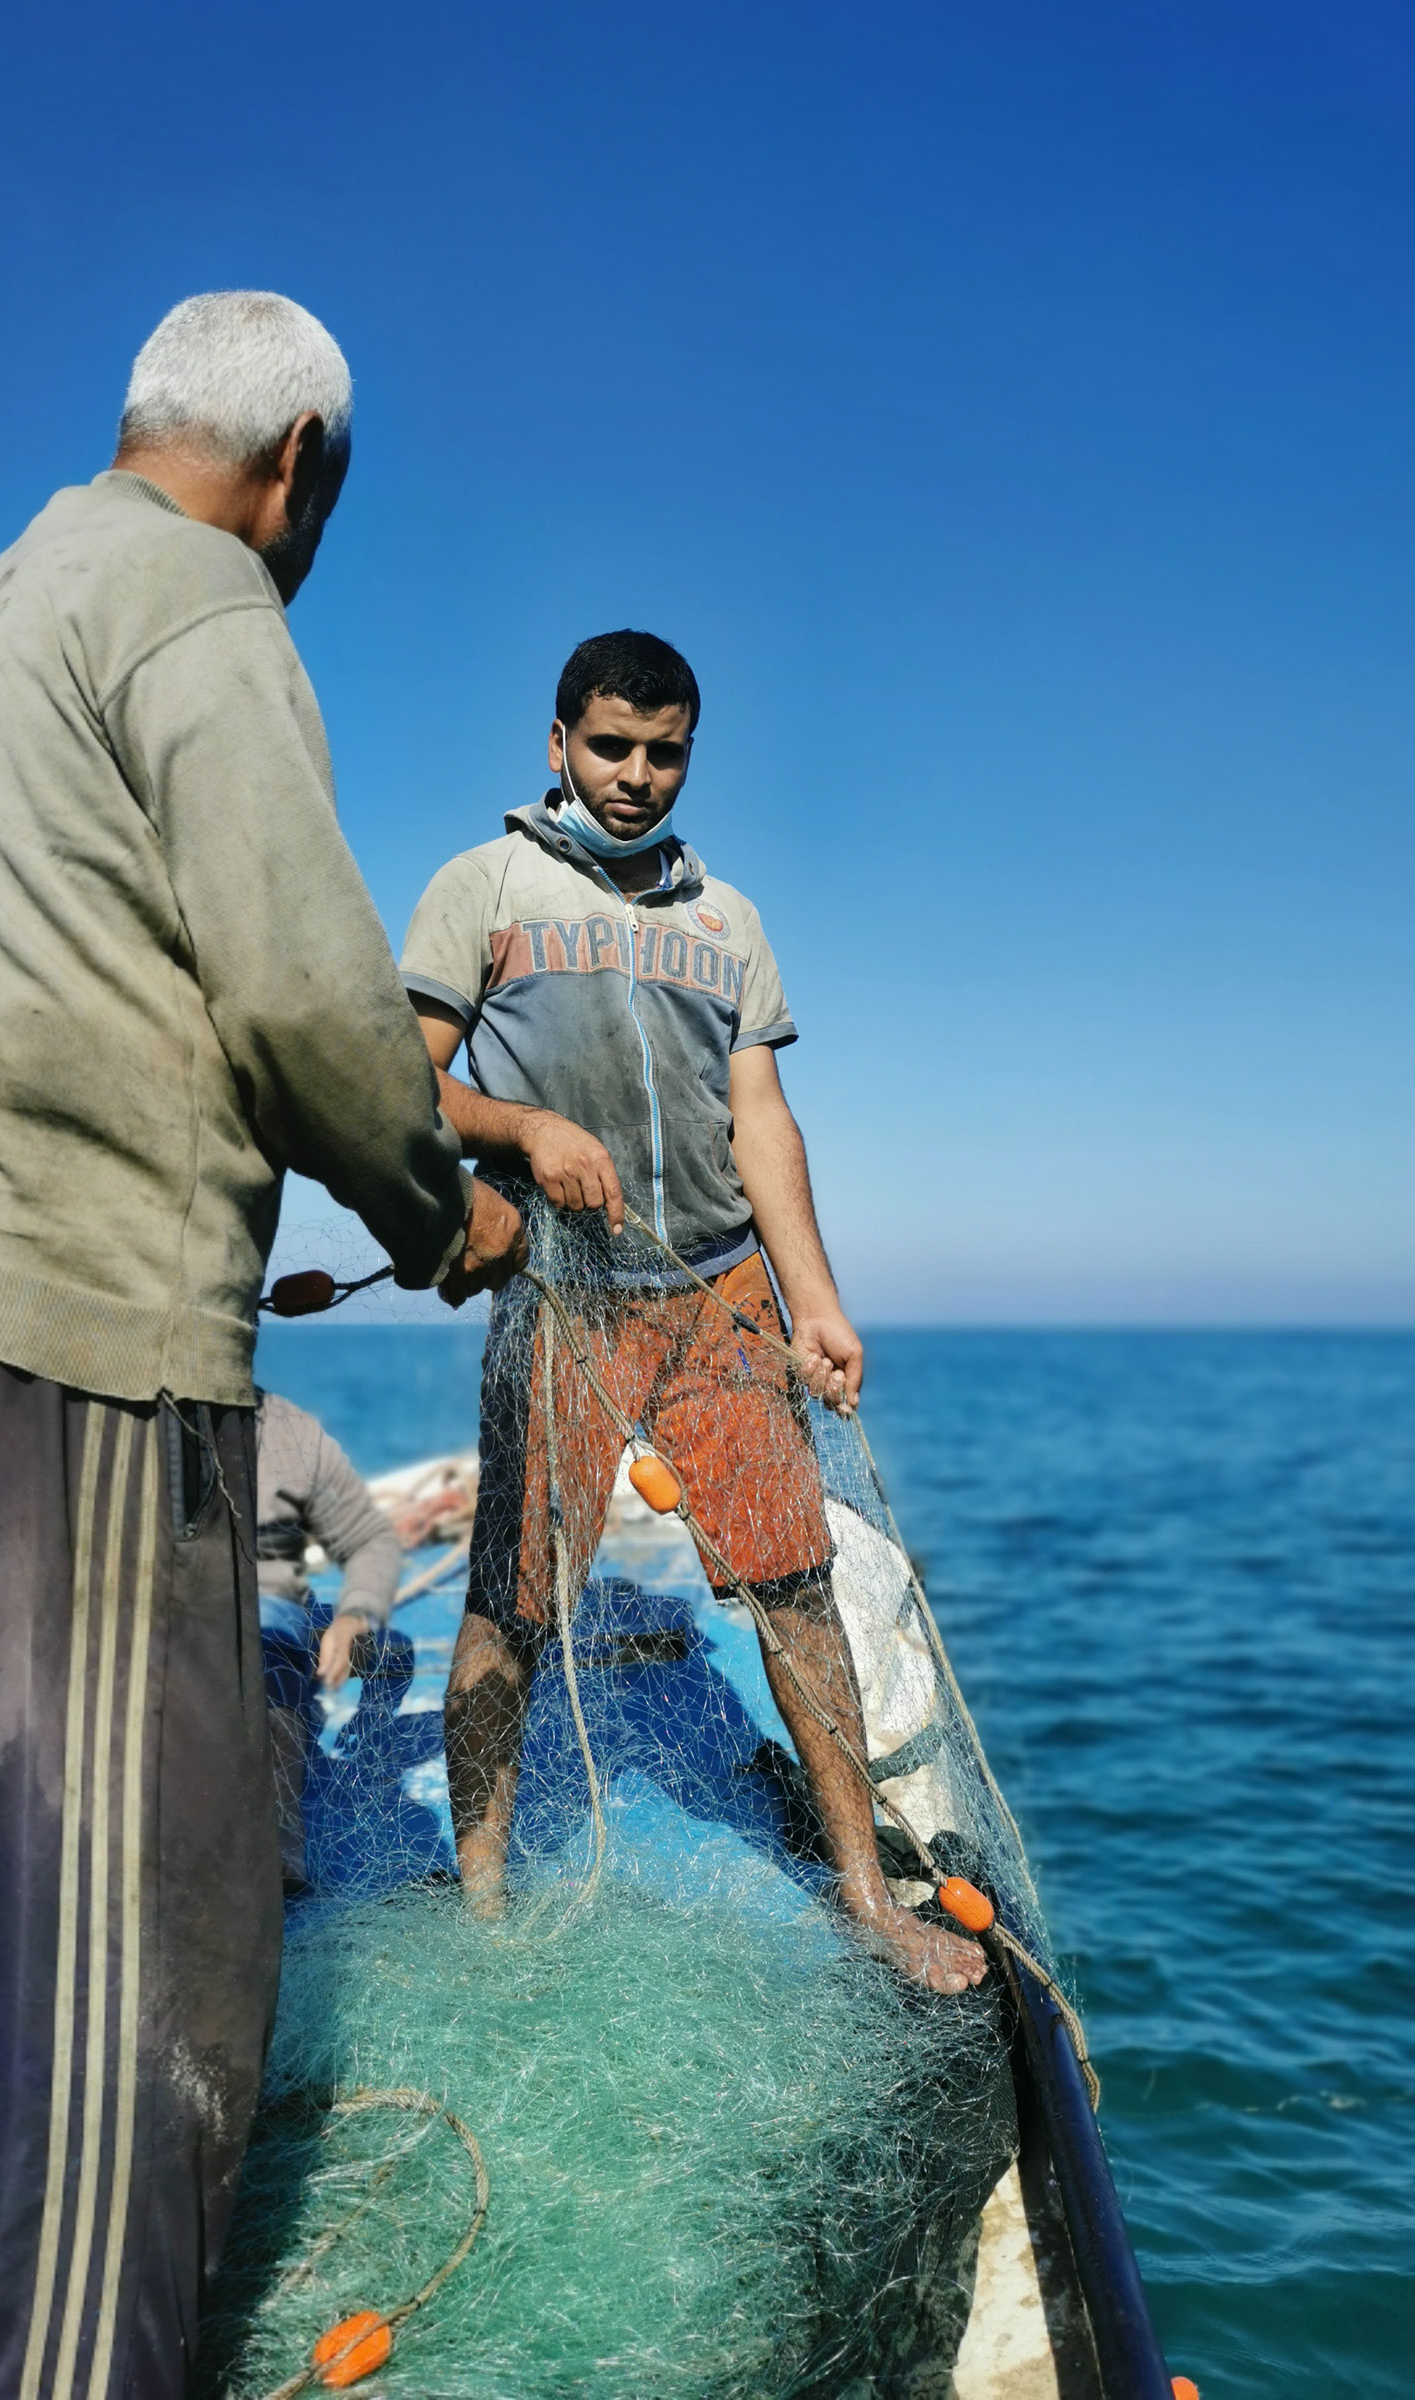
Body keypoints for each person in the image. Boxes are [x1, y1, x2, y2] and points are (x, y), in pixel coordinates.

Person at [0, 291, 526, 2400]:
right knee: (121, 1955)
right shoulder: (201, 601)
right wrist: (446, 1209)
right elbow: (297, 992)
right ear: (293, 468)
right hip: (73, 1340)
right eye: (319, 503)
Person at [399, 629, 985, 1996]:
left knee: (794, 1587)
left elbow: (764, 1122)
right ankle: (481, 1901)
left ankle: (862, 1896)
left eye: (665, 753)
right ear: (558, 744)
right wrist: (527, 1126)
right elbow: (400, 1084)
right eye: (610, 746)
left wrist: (817, 1303)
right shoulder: (482, 887)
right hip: (565, 1289)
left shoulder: (731, 921)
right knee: (513, 1600)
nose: (635, 776)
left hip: (722, 1293)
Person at [251, 1389, 404, 1890]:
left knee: (391, 1652)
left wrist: (354, 1615)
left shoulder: (288, 1429)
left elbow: (371, 1539)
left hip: (275, 1620)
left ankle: (282, 1839)